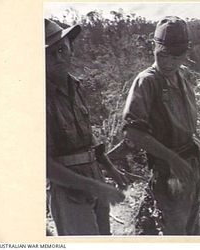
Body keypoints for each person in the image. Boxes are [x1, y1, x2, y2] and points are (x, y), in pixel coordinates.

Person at [45, 18, 128, 235]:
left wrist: (109, 167)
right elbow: (45, 166)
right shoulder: (40, 98)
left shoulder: (75, 87)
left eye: (62, 49)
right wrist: (96, 187)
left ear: (71, 49)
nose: (58, 57)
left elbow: (87, 137)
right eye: (49, 53)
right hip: (69, 190)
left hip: (94, 177)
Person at [122, 16, 200, 235]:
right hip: (168, 170)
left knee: (193, 227)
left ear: (187, 52)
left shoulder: (182, 75)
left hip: (191, 163)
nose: (169, 62)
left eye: (177, 56)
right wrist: (172, 159)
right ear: (153, 47)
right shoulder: (147, 81)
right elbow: (133, 132)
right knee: (175, 231)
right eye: (163, 54)